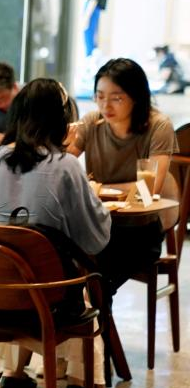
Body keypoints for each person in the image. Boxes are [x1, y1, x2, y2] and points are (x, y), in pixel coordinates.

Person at [0, 79, 111, 388]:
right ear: (62, 120)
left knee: (22, 264)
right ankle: (77, 377)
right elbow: (93, 237)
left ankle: (13, 371)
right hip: (51, 301)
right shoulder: (64, 166)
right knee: (73, 274)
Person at [68, 58, 176, 302]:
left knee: (96, 282)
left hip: (139, 232)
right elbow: (60, 165)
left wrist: (96, 188)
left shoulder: (158, 126)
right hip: (97, 225)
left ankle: (95, 324)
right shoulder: (91, 122)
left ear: (136, 97)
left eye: (116, 98)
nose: (105, 105)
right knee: (56, 264)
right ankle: (84, 323)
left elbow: (149, 188)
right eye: (99, 96)